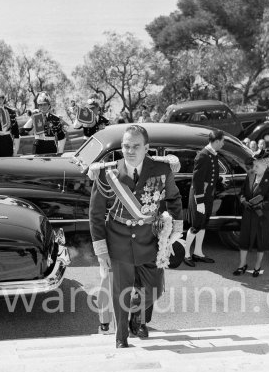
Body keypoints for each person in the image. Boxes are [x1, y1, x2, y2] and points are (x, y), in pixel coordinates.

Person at [89, 125, 183, 348]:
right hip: (118, 239)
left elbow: (174, 198)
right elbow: (95, 213)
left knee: (155, 289)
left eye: (135, 146)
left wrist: (175, 231)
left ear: (147, 148)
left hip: (149, 239)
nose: (129, 151)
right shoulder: (107, 173)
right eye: (126, 146)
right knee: (120, 290)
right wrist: (101, 250)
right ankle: (121, 337)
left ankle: (137, 316)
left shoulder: (161, 169)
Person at [183, 130, 225, 267]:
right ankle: (186, 254)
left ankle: (198, 252)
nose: (223, 144)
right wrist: (199, 201)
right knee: (196, 225)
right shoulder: (203, 155)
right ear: (217, 141)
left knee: (203, 224)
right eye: (222, 141)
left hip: (208, 196)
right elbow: (197, 181)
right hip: (199, 197)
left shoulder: (212, 155)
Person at [234, 152, 269, 277]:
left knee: (261, 242)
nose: (254, 168)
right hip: (248, 213)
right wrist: (243, 200)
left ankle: (257, 266)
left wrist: (258, 205)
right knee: (244, 240)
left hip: (262, 216)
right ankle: (242, 265)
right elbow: (242, 192)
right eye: (254, 166)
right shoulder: (250, 175)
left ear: (265, 165)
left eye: (257, 166)